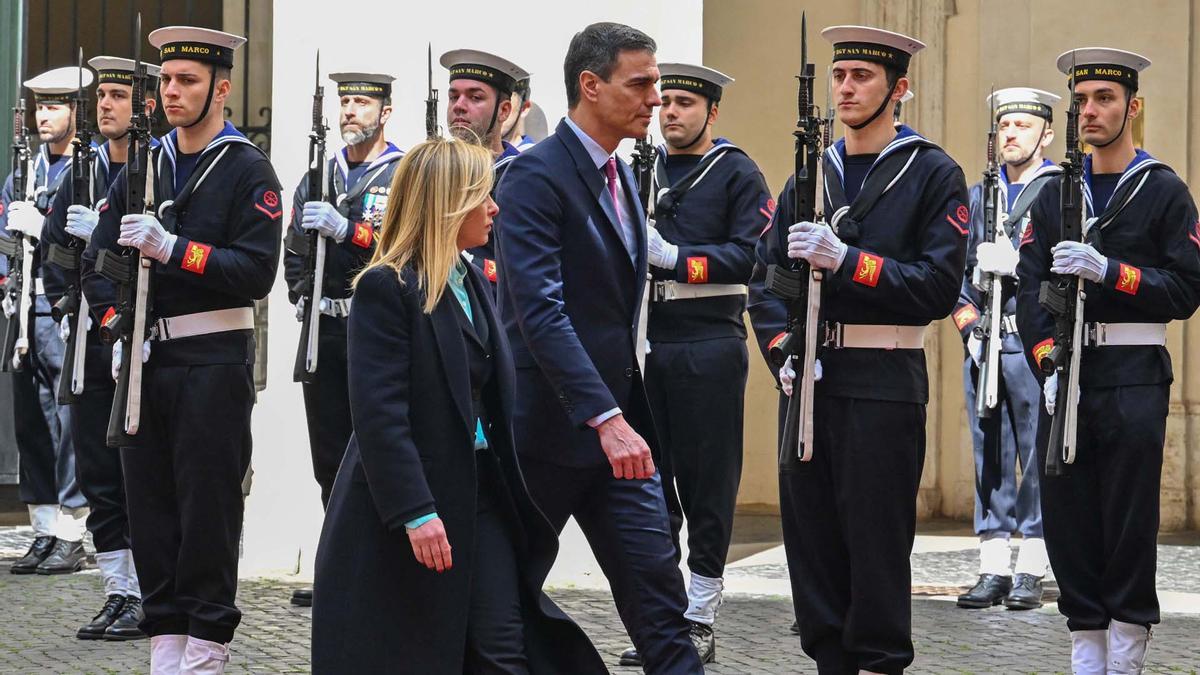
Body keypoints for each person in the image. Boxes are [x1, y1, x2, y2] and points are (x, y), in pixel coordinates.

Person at [310, 137, 605, 675]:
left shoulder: (472, 277)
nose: (495, 208)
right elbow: (379, 413)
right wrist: (415, 511)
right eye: (484, 197)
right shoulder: (386, 286)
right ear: (449, 202)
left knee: (503, 645)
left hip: (479, 490)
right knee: (415, 650)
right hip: (408, 505)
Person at [748, 25, 967, 673]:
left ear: (898, 89)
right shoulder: (810, 176)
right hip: (811, 379)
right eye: (840, 77)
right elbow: (765, 283)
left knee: (875, 545)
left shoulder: (931, 172)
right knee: (811, 547)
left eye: (862, 77)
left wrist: (850, 261)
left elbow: (935, 286)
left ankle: (878, 661)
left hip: (884, 379)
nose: (846, 88)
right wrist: (786, 351)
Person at [494, 21, 702, 673]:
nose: (655, 100)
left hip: (619, 436)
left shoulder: (622, 174)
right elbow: (540, 312)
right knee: (503, 605)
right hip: (546, 432)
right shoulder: (534, 177)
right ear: (591, 86)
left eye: (657, 85)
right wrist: (604, 417)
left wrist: (618, 418)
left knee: (662, 609)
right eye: (639, 84)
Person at [82, 26, 280, 673]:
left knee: (206, 513)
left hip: (211, 365)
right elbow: (98, 258)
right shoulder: (146, 162)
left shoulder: (247, 168)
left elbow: (254, 272)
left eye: (187, 81)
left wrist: (175, 250)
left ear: (221, 88)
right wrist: (116, 326)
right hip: (145, 365)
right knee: (152, 515)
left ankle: (205, 652)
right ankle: (165, 650)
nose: (171, 92)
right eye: (166, 80)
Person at [1016, 47, 1200, 673]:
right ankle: (1086, 651)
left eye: (1104, 98)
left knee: (1126, 520)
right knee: (1067, 520)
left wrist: (1112, 273)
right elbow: (1029, 286)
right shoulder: (1054, 194)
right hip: (1066, 376)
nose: (1090, 111)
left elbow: (1184, 289)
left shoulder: (1163, 190)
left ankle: (1125, 654)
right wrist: (1045, 361)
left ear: (1132, 107)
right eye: (1083, 100)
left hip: (1131, 374)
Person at [621, 61, 772, 666]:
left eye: (685, 103)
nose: (671, 113)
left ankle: (701, 614)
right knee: (651, 488)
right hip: (645, 340)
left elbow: (752, 256)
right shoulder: (640, 169)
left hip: (706, 341)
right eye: (666, 103)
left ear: (712, 112)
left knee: (706, 482)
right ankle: (662, 617)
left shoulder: (737, 173)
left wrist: (679, 258)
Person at [40, 55, 161, 640]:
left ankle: (151, 591)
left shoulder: (157, 169)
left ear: (144, 105)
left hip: (142, 346)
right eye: (101, 95)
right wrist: (67, 308)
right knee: (96, 471)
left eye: (117, 95)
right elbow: (56, 257)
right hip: (91, 339)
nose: (103, 105)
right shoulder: (79, 175)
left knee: (140, 472)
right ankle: (118, 590)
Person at [282, 70, 403, 608]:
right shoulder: (318, 174)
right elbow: (293, 247)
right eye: (345, 102)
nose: (350, 111)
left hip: (374, 330)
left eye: (362, 102)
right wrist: (301, 294)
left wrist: (349, 231)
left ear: (385, 111)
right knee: (328, 455)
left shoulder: (401, 173)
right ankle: (341, 561)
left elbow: (403, 244)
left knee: (376, 446)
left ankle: (381, 564)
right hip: (323, 330)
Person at [954, 87, 1059, 612]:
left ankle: (1032, 567)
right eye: (1004, 126)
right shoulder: (979, 195)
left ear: (1047, 134)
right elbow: (954, 276)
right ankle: (993, 565)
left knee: (1037, 457)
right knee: (988, 455)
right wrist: (970, 326)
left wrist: (1020, 265)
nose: (1010, 134)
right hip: (988, 340)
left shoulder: (1061, 192)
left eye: (1021, 125)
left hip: (1033, 341)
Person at [2, 66, 92, 576]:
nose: (43, 116)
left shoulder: (85, 168)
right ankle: (42, 527)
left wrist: (46, 229)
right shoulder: (25, 169)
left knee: (67, 419)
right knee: (31, 420)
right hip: (25, 305)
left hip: (61, 305)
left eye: (55, 107)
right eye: (39, 107)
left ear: (76, 113)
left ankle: (73, 529)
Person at [440, 49, 529, 285]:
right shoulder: (439, 169)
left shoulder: (521, 176)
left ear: (504, 110)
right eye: (453, 97)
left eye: (475, 97)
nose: (459, 106)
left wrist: (458, 259)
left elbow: (524, 272)